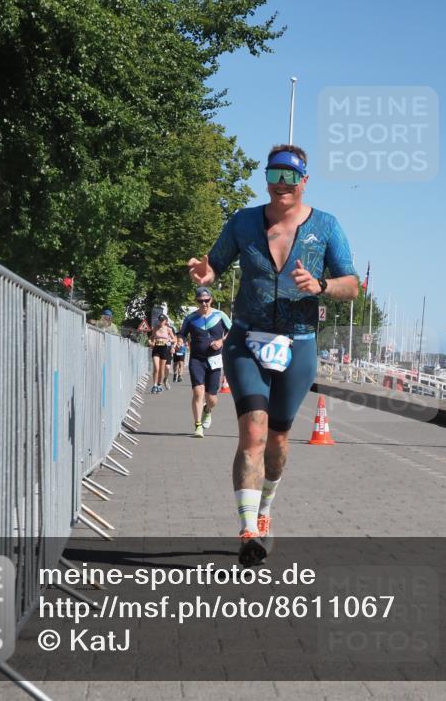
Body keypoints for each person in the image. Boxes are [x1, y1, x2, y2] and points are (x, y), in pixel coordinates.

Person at [187, 144, 358, 566]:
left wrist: (320, 286)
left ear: (303, 180)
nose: (280, 185)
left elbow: (352, 284)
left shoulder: (327, 226)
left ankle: (264, 511)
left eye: (289, 176)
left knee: (278, 442)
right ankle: (247, 529)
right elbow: (215, 266)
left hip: (298, 344)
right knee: (254, 434)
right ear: (266, 179)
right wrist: (204, 274)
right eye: (273, 175)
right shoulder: (243, 222)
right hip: (247, 339)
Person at [180, 288, 231, 438]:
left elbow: (232, 331)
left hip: (215, 360)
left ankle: (207, 410)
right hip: (197, 359)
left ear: (211, 300)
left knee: (212, 399)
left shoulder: (220, 315)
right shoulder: (190, 318)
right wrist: (179, 340)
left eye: (207, 300)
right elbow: (182, 334)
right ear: (196, 301)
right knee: (198, 392)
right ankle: (198, 426)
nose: (204, 303)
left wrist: (221, 341)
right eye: (201, 301)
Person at [149, 314, 175, 393]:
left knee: (161, 369)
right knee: (156, 367)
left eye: (162, 320)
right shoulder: (155, 328)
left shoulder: (168, 329)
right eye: (160, 320)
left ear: (165, 321)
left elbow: (174, 339)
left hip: (164, 349)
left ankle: (160, 384)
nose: (161, 322)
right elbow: (151, 338)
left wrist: (169, 341)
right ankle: (154, 385)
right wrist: (151, 342)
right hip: (156, 348)